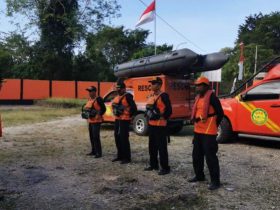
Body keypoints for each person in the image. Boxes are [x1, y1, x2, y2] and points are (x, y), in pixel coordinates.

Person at [188, 76, 224, 190]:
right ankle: (199, 176)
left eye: (199, 85)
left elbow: (220, 113)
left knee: (210, 157)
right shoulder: (198, 97)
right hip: (198, 130)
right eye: (197, 85)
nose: (197, 87)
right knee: (196, 155)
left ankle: (215, 181)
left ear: (205, 86)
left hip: (209, 132)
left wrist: (214, 124)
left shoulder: (212, 97)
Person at [144, 77, 172, 175]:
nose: (151, 85)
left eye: (154, 83)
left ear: (159, 85)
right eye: (151, 83)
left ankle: (165, 168)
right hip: (151, 125)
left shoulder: (164, 96)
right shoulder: (150, 95)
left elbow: (169, 111)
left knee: (162, 147)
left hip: (160, 125)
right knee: (152, 146)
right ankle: (153, 165)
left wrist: (159, 116)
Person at [112, 80, 137, 164]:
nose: (118, 90)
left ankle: (127, 158)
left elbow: (134, 108)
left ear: (124, 89)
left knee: (124, 138)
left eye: (119, 88)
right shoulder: (117, 96)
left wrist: (129, 115)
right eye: (117, 88)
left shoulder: (128, 96)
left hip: (124, 120)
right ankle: (120, 156)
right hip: (117, 119)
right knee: (117, 137)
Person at [83, 86, 106, 158]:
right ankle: (93, 151)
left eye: (90, 91)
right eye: (88, 91)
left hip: (97, 121)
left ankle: (99, 153)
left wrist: (99, 115)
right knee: (92, 136)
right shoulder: (89, 99)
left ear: (94, 92)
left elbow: (104, 109)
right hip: (90, 121)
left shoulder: (99, 99)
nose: (89, 93)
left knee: (96, 137)